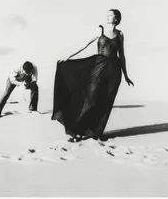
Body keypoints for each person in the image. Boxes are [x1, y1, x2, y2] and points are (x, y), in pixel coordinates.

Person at [51, 9, 134, 142]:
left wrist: (126, 75)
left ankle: (96, 131)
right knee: (90, 100)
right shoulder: (100, 31)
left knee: (106, 102)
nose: (108, 17)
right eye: (107, 15)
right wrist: (68, 56)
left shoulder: (120, 34)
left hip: (114, 71)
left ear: (117, 19)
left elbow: (122, 56)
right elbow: (84, 45)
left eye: (111, 15)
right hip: (98, 68)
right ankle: (77, 132)